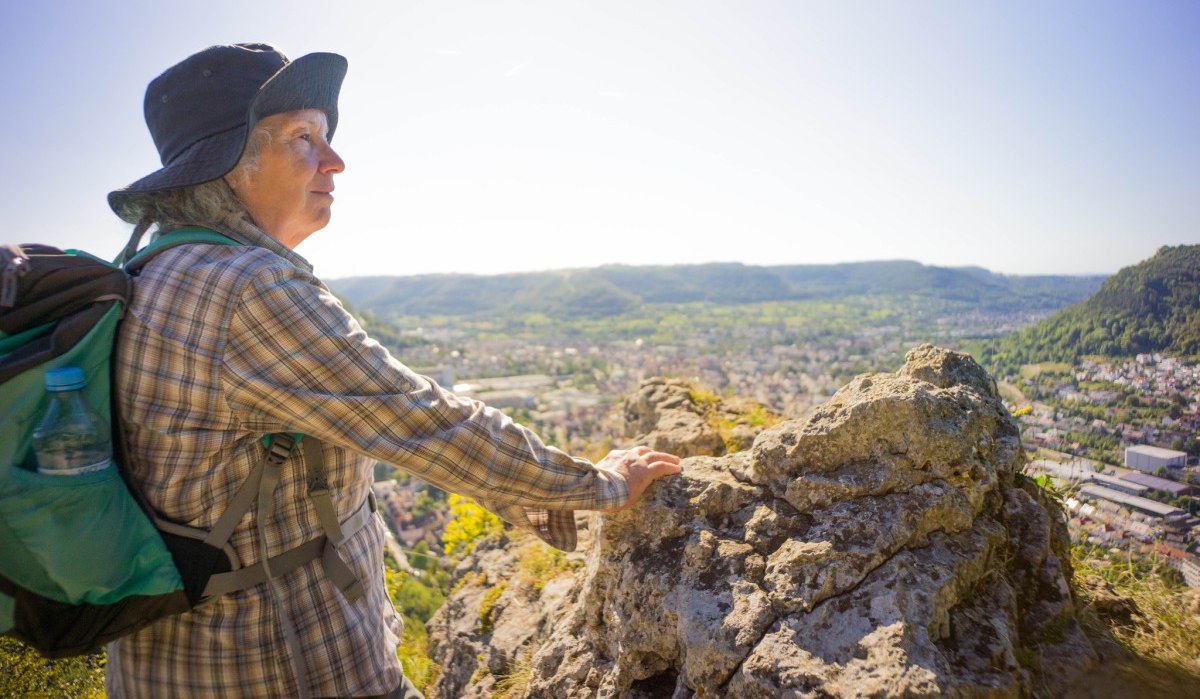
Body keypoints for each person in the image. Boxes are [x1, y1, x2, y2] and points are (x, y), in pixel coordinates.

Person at [105, 43, 681, 699]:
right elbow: (423, 421)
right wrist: (598, 484)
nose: (335, 160)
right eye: (304, 138)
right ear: (233, 162)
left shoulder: (154, 270)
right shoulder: (246, 289)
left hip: (167, 660)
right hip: (280, 662)